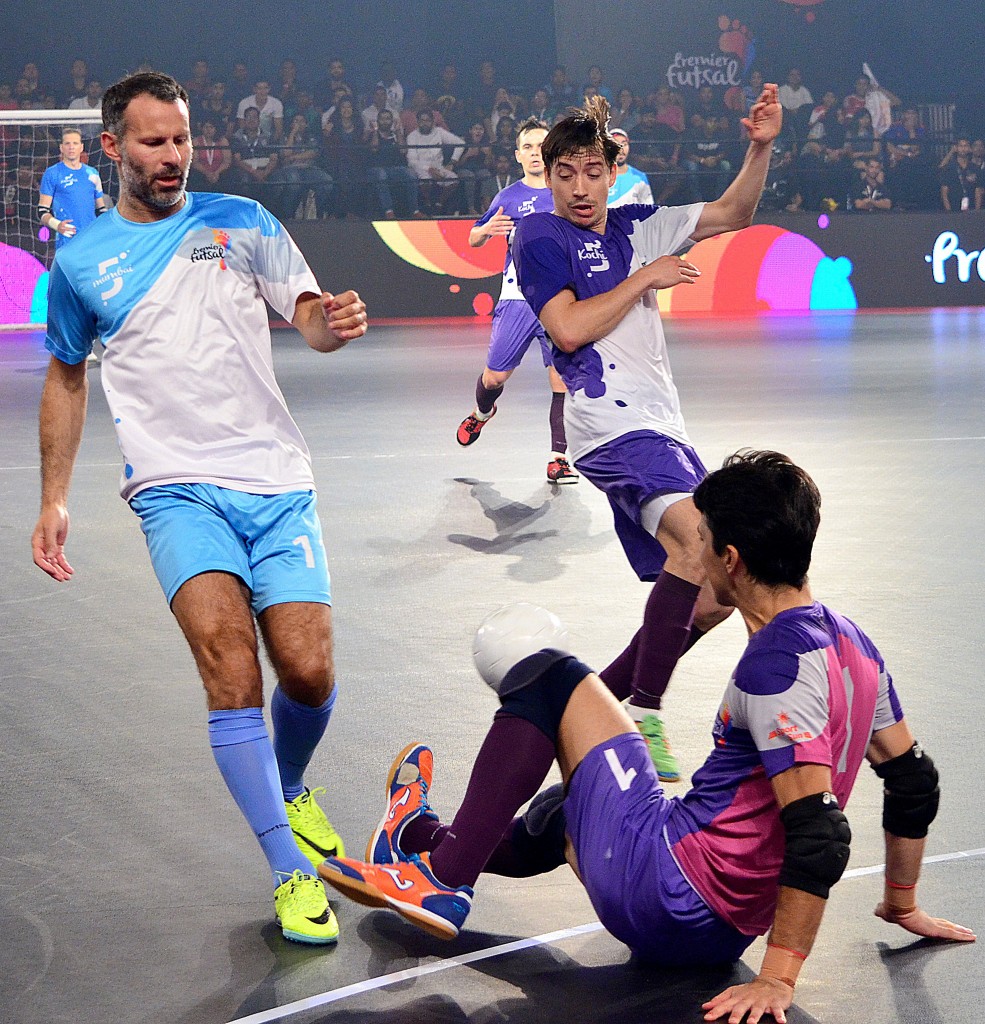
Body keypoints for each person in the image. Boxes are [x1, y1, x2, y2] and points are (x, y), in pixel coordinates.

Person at [320, 450, 976, 1022]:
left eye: (699, 544)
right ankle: (413, 837)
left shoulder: (775, 665)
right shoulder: (853, 642)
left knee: (544, 673)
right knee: (563, 812)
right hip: (719, 932)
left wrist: (777, 978)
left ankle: (441, 878)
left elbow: (818, 833)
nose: (688, 557)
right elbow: (912, 778)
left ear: (730, 557)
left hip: (666, 895)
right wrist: (900, 902)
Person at [31, 70, 367, 947]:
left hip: (275, 480)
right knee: (230, 672)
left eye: (180, 138)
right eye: (153, 141)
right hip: (174, 488)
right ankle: (289, 874)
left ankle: (292, 785)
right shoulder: (79, 263)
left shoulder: (243, 221)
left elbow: (310, 320)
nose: (173, 155)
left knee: (309, 673)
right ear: (114, 148)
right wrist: (54, 498)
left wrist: (333, 322)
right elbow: (66, 377)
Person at [501, 90, 786, 781]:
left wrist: (758, 146)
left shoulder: (640, 224)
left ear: (610, 172)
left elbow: (734, 213)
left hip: (664, 428)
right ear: (546, 176)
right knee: (697, 540)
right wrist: (645, 279)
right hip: (608, 427)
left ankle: (592, 700)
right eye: (561, 173)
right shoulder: (539, 237)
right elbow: (567, 329)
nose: (577, 187)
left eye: (590, 172)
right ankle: (648, 712)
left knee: (721, 585)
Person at [455, 118, 575, 484]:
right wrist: (485, 231)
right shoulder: (508, 197)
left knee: (563, 381)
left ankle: (559, 459)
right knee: (494, 377)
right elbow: (475, 237)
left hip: (560, 299)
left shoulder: (568, 192)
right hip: (517, 298)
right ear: (517, 155)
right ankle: (481, 412)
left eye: (542, 145)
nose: (535, 153)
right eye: (528, 147)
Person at [38, 126, 107, 248]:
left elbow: (101, 210)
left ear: (81, 147)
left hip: (90, 238)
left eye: (75, 143)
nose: (71, 147)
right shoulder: (52, 173)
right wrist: (57, 225)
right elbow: (42, 211)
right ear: (61, 148)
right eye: (67, 143)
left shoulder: (92, 174)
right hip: (66, 239)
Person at [607, 128, 654, 207]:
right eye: (616, 145)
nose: (621, 150)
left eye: (624, 144)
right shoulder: (598, 177)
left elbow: (648, 209)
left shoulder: (640, 178)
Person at [939, 136, 984, 211]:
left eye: (965, 146)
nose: (963, 148)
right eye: (960, 146)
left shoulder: (975, 168)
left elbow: (978, 191)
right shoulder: (949, 168)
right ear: (956, 148)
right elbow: (944, 192)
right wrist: (948, 211)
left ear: (970, 149)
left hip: (971, 209)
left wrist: (977, 212)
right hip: (954, 209)